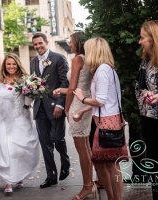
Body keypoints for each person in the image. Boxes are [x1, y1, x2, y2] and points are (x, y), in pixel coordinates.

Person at [0, 53, 39, 195]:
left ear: (18, 64)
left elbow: (29, 99)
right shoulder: (0, 78)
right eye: (8, 64)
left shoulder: (25, 79)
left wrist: (30, 95)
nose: (11, 66)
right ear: (5, 66)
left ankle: (18, 176)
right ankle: (8, 182)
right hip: (4, 120)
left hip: (21, 118)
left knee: (21, 150)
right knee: (7, 149)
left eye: (14, 64)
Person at [73, 37, 124, 200]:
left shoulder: (102, 70)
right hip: (108, 121)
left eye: (87, 51)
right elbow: (106, 100)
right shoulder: (106, 69)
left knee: (111, 166)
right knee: (103, 165)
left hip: (107, 124)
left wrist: (82, 99)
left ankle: (115, 198)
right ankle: (112, 197)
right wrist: (83, 111)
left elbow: (100, 101)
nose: (86, 54)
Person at [53, 31, 95, 199]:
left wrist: (67, 109)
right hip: (86, 102)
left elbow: (72, 88)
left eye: (71, 42)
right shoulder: (88, 59)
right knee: (86, 147)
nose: (69, 44)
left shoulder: (77, 59)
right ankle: (90, 184)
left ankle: (86, 187)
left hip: (78, 105)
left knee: (82, 149)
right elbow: (76, 86)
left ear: (78, 43)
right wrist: (62, 90)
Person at [30, 32, 70, 188]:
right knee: (45, 142)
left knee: (57, 138)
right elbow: (35, 83)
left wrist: (60, 104)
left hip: (55, 106)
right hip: (39, 107)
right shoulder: (33, 62)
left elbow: (65, 83)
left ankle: (65, 162)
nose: (38, 46)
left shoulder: (59, 58)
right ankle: (51, 175)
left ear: (46, 42)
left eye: (40, 43)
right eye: (35, 44)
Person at [135, 20, 158, 200]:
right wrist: (146, 92)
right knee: (155, 164)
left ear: (155, 38)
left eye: (143, 38)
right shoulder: (146, 61)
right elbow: (140, 86)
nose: (140, 42)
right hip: (149, 119)